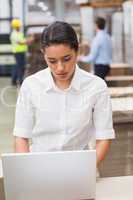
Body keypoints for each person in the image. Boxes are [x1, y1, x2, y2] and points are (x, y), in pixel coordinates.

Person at [13, 21, 115, 166]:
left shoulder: (96, 87)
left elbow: (104, 136)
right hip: (40, 167)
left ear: (77, 51)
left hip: (81, 168)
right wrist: (29, 171)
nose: (60, 68)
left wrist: (86, 169)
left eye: (66, 59)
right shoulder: (31, 86)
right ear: (44, 55)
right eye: (52, 61)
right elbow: (21, 136)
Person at [10, 19, 33, 86]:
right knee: (21, 67)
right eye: (18, 26)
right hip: (17, 52)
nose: (19, 27)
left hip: (22, 52)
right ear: (15, 26)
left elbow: (24, 40)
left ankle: (13, 81)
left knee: (18, 66)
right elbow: (21, 42)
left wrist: (28, 40)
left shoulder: (20, 33)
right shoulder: (13, 34)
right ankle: (20, 81)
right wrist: (30, 39)